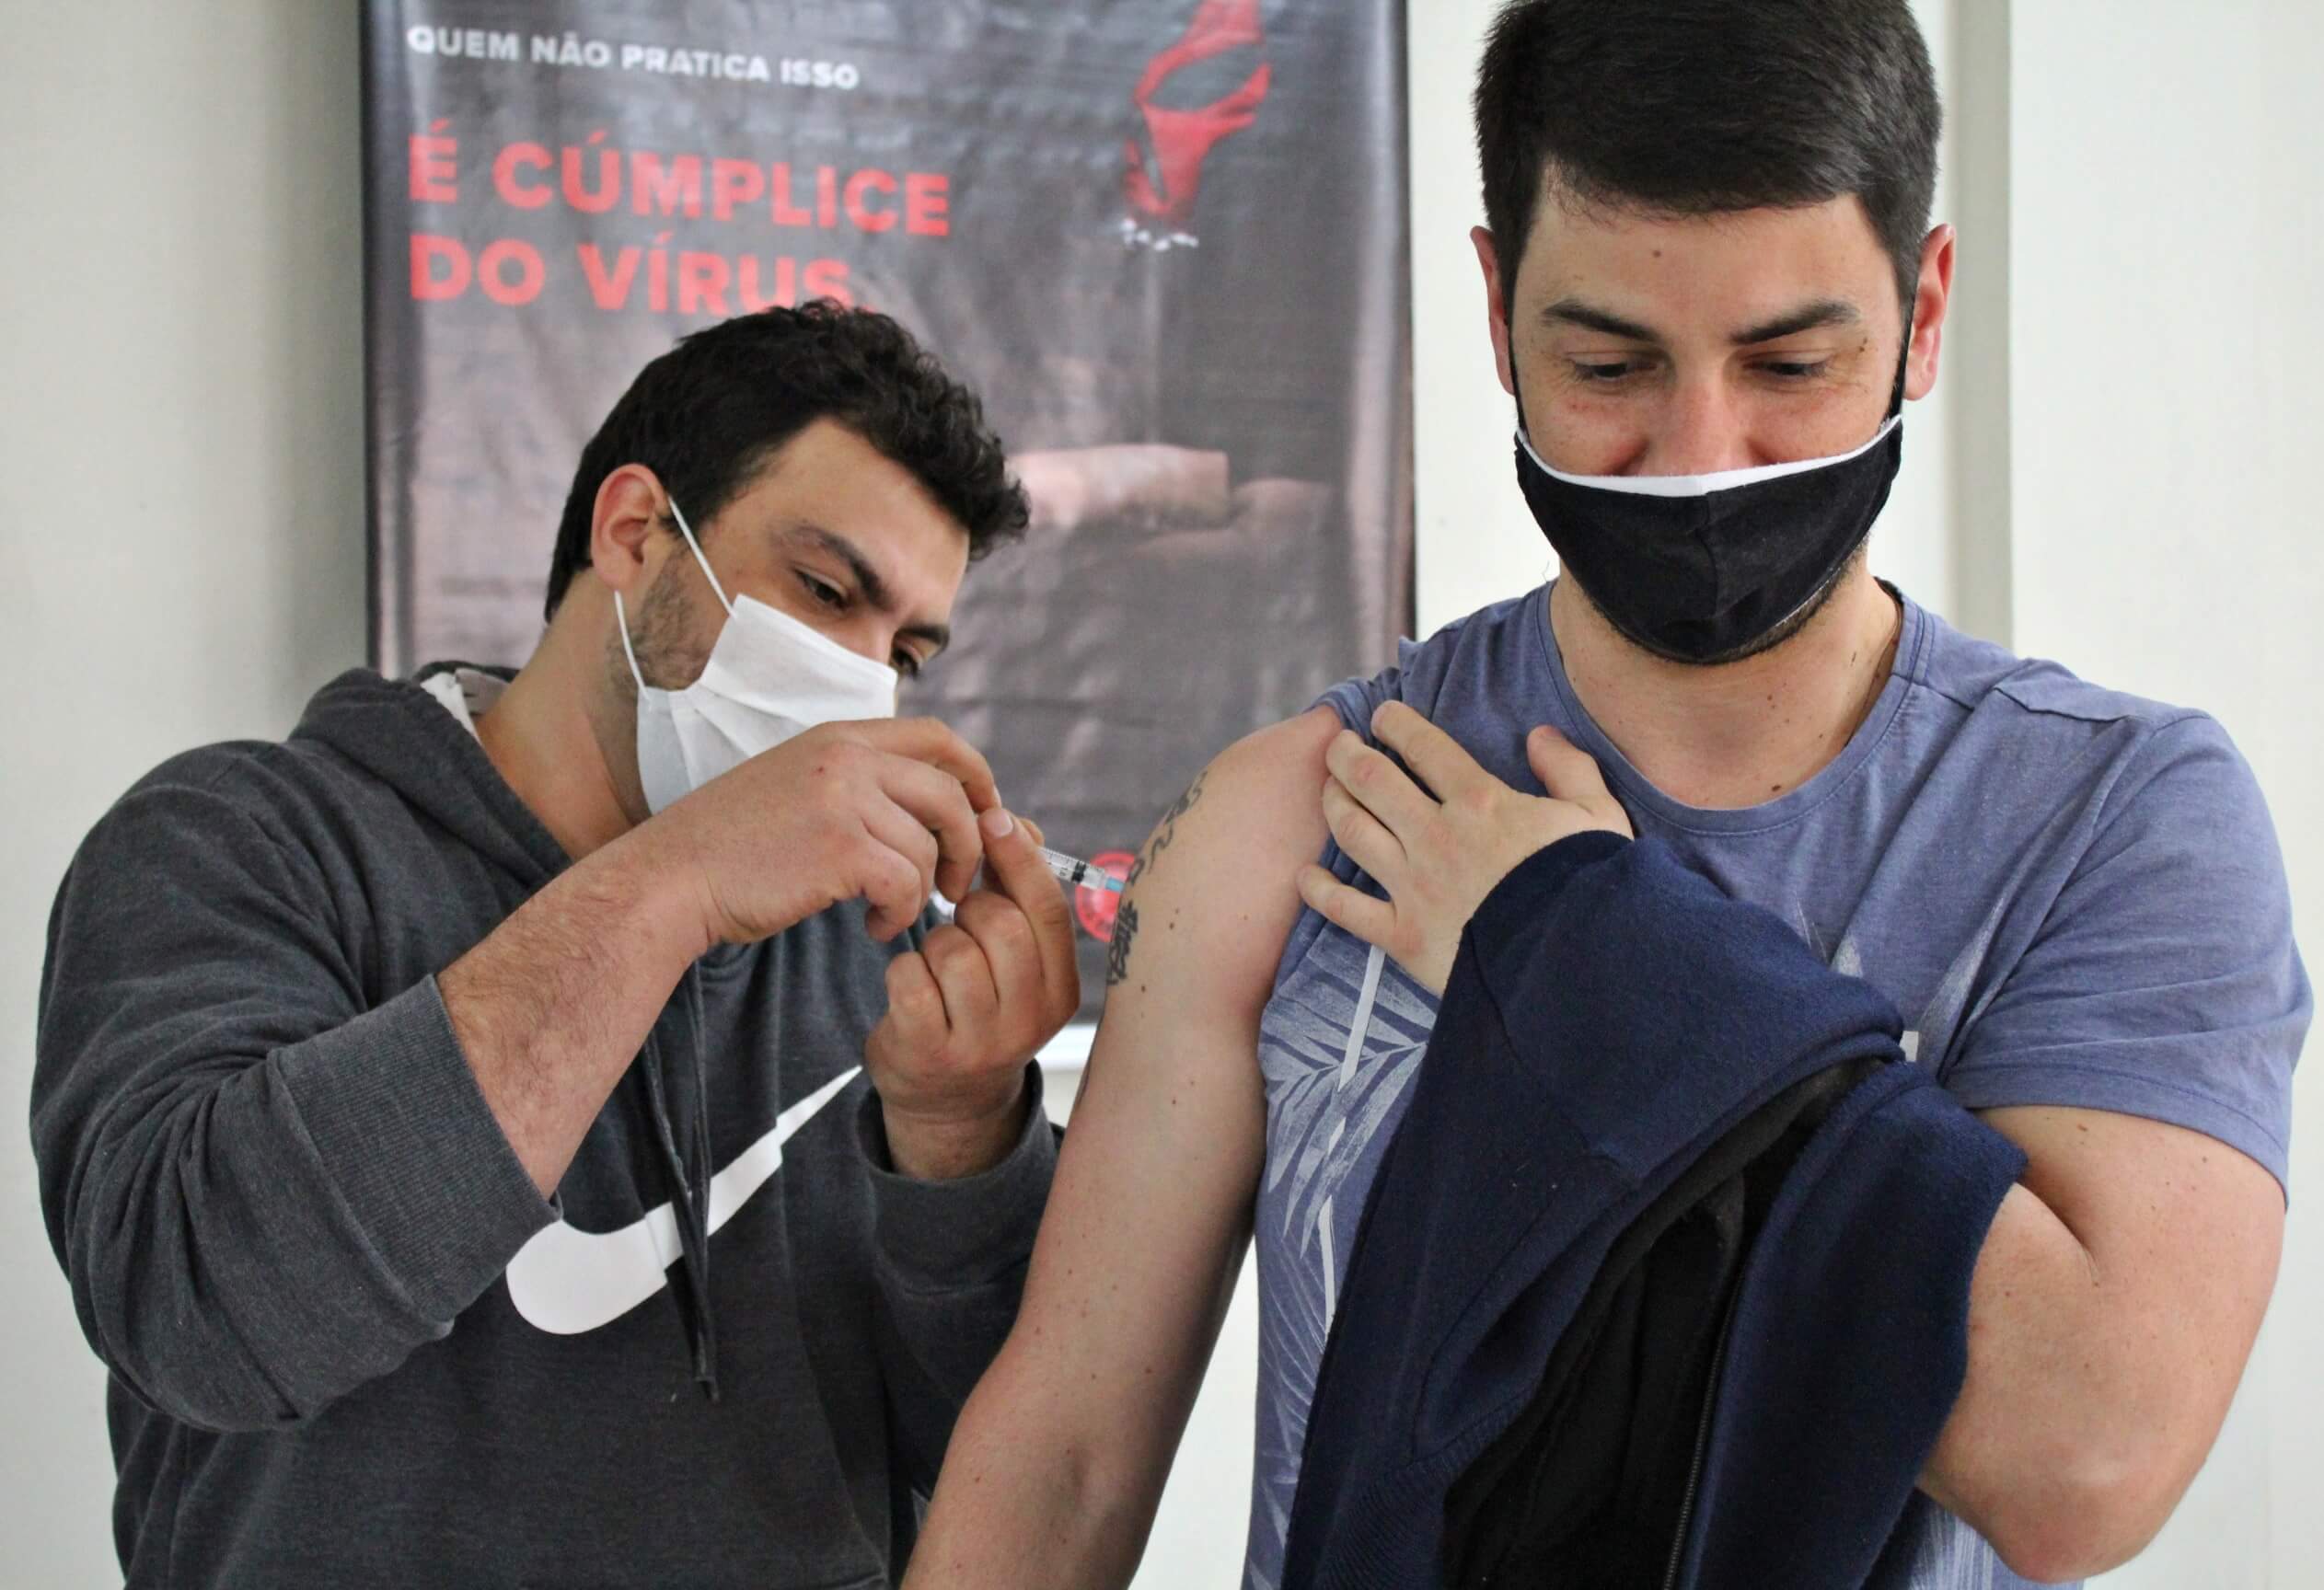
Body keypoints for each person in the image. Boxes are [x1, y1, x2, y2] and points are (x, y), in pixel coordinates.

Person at [902, 4, 2309, 1588]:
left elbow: (2083, 1463)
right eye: (1607, 365)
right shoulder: (1304, 809)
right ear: (1498, 313)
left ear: (1920, 315)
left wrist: (1579, 949)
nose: (1697, 455)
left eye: (1789, 363)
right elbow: (1067, 1464)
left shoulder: (2113, 819)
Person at [33, 302, 1081, 1587]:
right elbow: (205, 1316)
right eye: (823, 591)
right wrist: (675, 881)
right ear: (633, 531)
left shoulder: (878, 947)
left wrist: (962, 1141)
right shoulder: (237, 840)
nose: (863, 687)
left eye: (905, 652)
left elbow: (998, 1467)